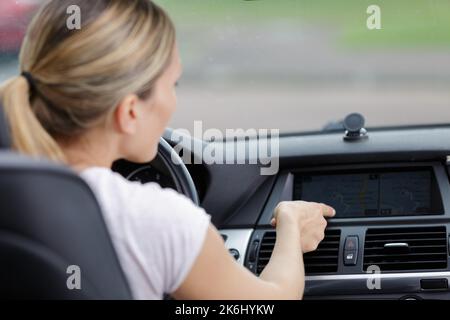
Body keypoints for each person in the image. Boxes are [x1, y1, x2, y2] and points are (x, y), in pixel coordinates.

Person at [0, 0, 335, 299]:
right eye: (171, 85)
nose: (173, 101)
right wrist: (291, 230)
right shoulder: (157, 220)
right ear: (130, 111)